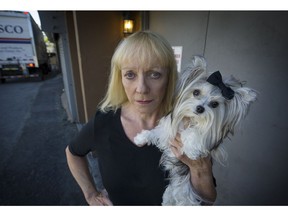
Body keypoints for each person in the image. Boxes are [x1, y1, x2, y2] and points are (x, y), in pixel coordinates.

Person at [65, 31, 217, 206]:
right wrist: (90, 194)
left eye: (155, 74)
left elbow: (207, 201)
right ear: (120, 78)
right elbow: (73, 152)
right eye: (130, 74)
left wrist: (201, 169)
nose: (141, 88)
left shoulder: (187, 125)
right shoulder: (104, 121)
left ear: (169, 78)